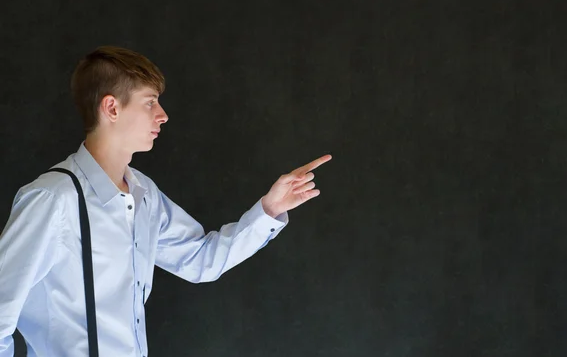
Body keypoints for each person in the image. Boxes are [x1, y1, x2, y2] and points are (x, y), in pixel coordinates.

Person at [0, 46, 332, 357]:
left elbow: (201, 260)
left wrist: (270, 210)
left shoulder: (144, 194)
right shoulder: (52, 199)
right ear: (111, 108)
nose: (163, 115)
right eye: (150, 102)